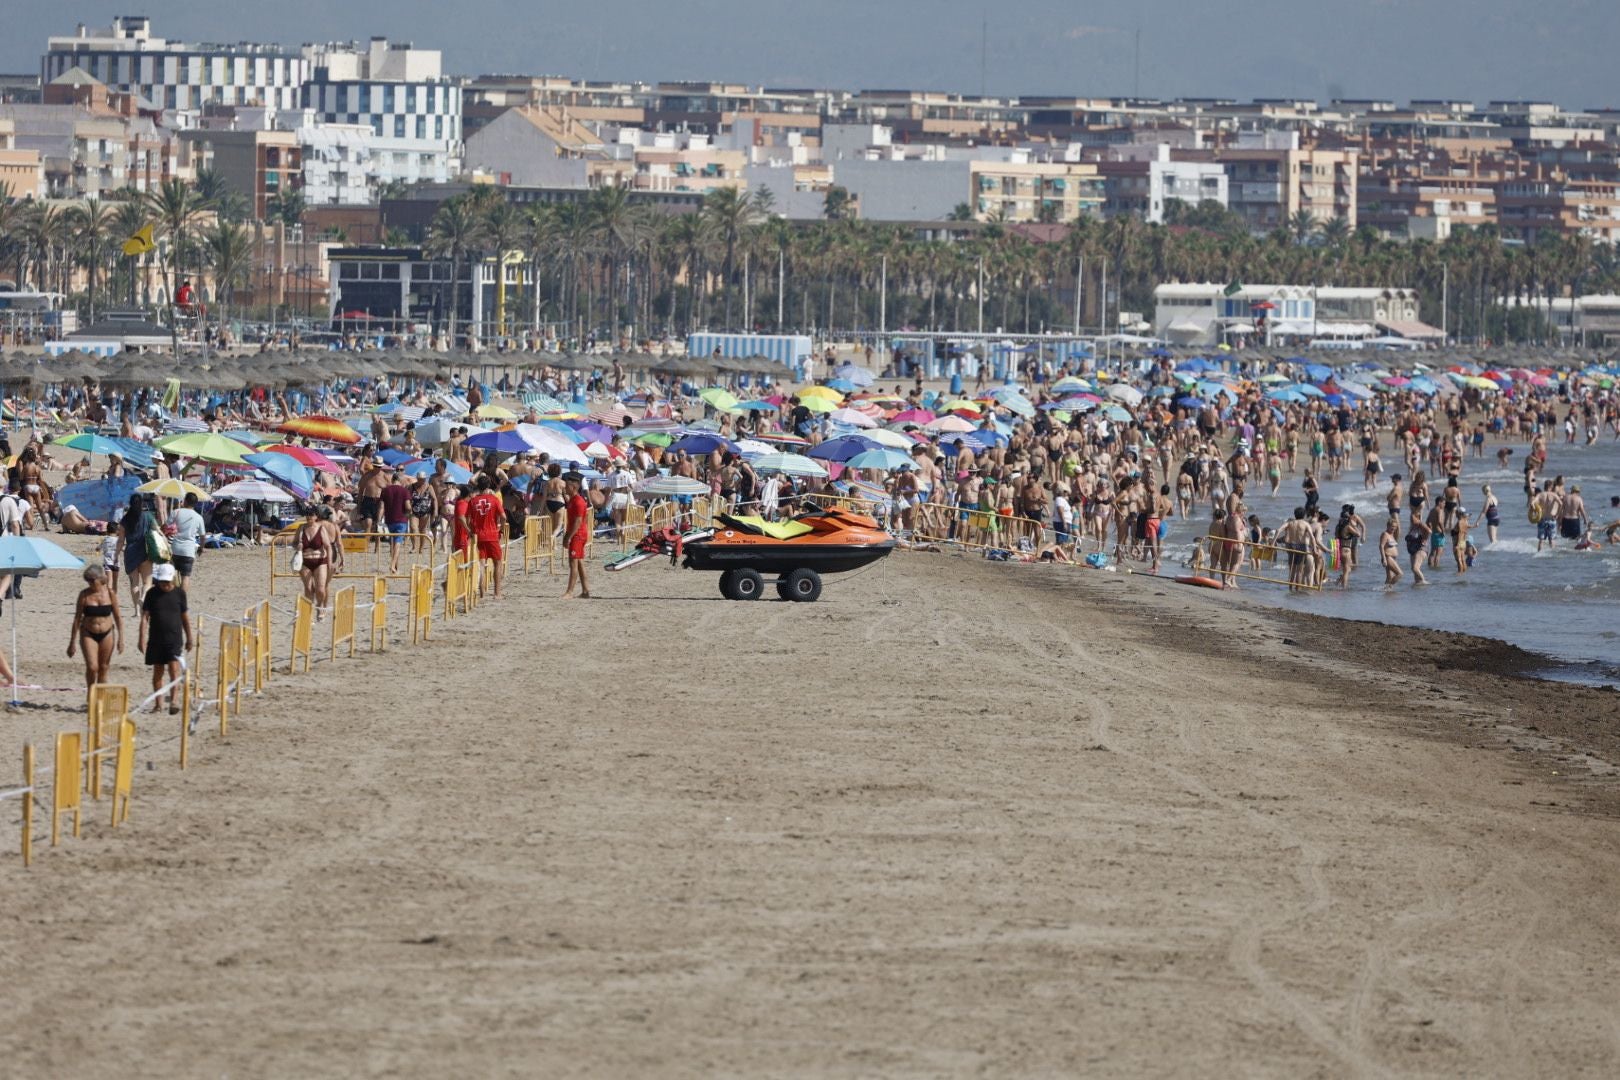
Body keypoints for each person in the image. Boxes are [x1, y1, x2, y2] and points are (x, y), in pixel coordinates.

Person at [139, 563, 192, 716]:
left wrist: (189, 637)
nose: (165, 585)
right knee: (158, 672)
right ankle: (158, 705)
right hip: (155, 639)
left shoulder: (179, 594)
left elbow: (185, 618)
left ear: (173, 580)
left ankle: (174, 701)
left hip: (174, 639)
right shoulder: (152, 594)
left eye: (167, 582)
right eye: (162, 582)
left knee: (174, 670)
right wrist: (141, 638)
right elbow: (145, 618)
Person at [68, 565, 122, 692]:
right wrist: (72, 642)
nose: (90, 583)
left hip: (107, 633)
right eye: (88, 581)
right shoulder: (84, 595)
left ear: (100, 579)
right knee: (92, 667)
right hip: (88, 633)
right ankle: (91, 695)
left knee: (104, 667)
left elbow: (118, 617)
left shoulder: (110, 593)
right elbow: (77, 618)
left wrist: (121, 639)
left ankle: (100, 699)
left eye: (92, 580)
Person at [465, 475, 507, 598]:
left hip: (479, 535)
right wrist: (502, 528)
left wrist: (472, 531)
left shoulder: (473, 501)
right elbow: (504, 517)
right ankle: (497, 593)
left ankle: (482, 591)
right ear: (488, 486)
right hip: (492, 535)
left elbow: (468, 520)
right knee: (497, 563)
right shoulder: (494, 499)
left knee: (481, 564)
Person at [295, 504, 340, 616]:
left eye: (311, 515)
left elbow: (328, 546)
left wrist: (329, 562)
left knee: (320, 589)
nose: (309, 517)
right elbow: (294, 542)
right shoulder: (301, 528)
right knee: (308, 588)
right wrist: (298, 546)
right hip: (305, 561)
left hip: (320, 561)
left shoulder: (321, 529)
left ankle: (320, 606)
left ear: (316, 516)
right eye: (307, 515)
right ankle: (309, 612)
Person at [115, 495, 156, 607]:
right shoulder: (148, 516)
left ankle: (136, 611)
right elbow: (157, 532)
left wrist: (116, 554)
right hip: (145, 551)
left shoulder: (125, 519)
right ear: (142, 503)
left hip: (130, 552)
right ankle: (143, 597)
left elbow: (121, 540)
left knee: (134, 583)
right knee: (147, 582)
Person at [562, 472, 591, 599]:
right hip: (576, 533)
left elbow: (578, 522)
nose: (565, 488)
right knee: (579, 563)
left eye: (567, 486)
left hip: (578, 535)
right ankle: (585, 590)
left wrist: (568, 537)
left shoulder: (579, 501)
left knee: (573, 563)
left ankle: (570, 592)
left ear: (573, 487)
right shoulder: (573, 500)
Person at [167, 492, 206, 588]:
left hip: (174, 549)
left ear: (185, 501)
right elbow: (203, 536)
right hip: (188, 551)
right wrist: (201, 548)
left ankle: (172, 596)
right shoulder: (198, 517)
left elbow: (166, 526)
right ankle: (182, 599)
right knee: (185, 577)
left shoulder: (176, 512)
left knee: (171, 575)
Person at [380, 469, 413, 573]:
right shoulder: (404, 491)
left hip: (389, 519)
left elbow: (381, 507)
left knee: (392, 543)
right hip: (401, 519)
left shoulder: (385, 490)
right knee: (398, 543)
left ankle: (395, 567)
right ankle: (393, 565)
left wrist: (379, 521)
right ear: (399, 480)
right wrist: (410, 512)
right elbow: (407, 507)